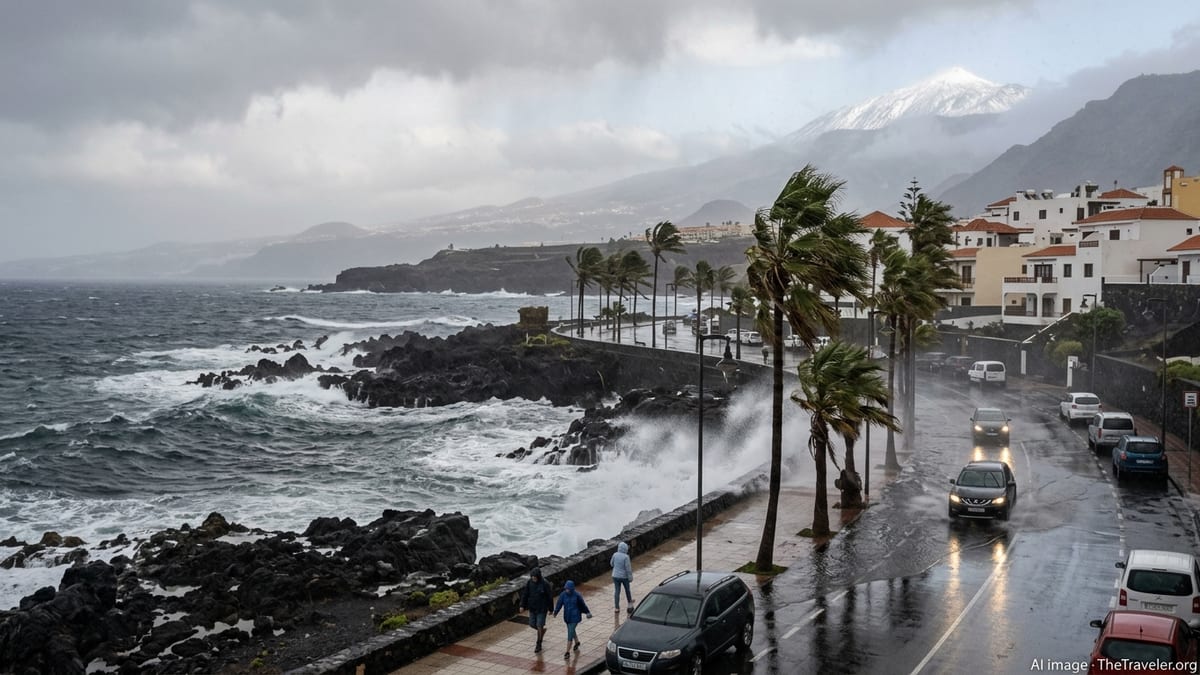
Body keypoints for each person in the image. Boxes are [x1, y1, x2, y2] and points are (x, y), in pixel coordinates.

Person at [552, 580, 592, 658]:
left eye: (568, 589)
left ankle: (567, 652)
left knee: (570, 633)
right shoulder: (563, 595)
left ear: (572, 589)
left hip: (575, 617)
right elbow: (559, 604)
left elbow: (582, 605)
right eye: (566, 589)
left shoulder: (577, 595)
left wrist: (587, 612)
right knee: (572, 630)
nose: (567, 590)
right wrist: (555, 612)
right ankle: (577, 642)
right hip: (567, 617)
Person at [519, 567, 554, 653]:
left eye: (535, 576)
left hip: (542, 609)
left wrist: (551, 609)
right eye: (532, 576)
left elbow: (550, 597)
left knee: (539, 625)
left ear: (538, 576)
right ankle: (542, 631)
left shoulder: (545, 584)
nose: (533, 578)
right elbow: (525, 594)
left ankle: (539, 644)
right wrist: (522, 605)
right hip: (532, 608)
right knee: (532, 624)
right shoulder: (529, 583)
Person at [610, 541, 634, 614]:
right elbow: (628, 569)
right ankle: (630, 604)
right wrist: (630, 578)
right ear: (625, 549)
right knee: (627, 590)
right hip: (624, 577)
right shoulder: (626, 557)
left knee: (617, 591)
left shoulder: (615, 554)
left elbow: (611, 564)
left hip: (615, 576)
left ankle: (617, 608)